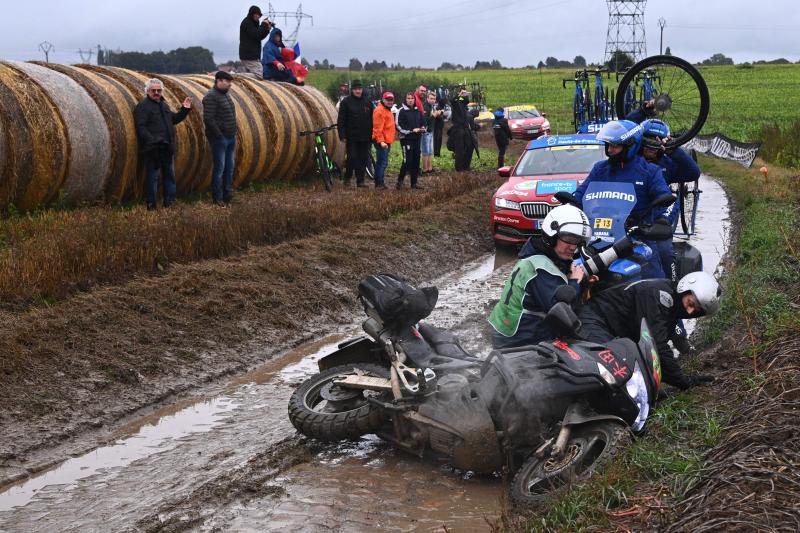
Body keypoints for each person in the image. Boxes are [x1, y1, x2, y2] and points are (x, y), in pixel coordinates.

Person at [578, 271, 721, 390]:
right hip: (593, 321)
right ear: (685, 289)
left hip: (612, 329)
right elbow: (656, 346)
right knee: (612, 369)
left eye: (696, 311)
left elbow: (651, 351)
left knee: (632, 376)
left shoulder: (672, 303)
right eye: (690, 303)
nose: (689, 311)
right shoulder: (657, 296)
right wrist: (684, 381)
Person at [572, 119, 672, 279]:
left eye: (615, 146)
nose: (610, 150)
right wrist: (570, 206)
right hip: (599, 237)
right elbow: (580, 196)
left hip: (637, 237)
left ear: (630, 146)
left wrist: (659, 221)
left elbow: (664, 198)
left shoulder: (650, 171)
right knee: (573, 271)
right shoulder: (600, 169)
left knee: (654, 281)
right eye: (608, 145)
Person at [489, 205, 592, 349]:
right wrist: (575, 282)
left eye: (578, 241)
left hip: (506, 330)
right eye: (569, 239)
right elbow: (562, 312)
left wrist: (582, 281)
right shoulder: (542, 268)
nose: (573, 247)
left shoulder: (536, 255)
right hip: (519, 341)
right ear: (551, 235)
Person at [640, 119, 701, 281]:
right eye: (648, 139)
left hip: (656, 219)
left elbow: (693, 173)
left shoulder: (667, 163)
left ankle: (670, 285)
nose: (652, 145)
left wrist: (674, 150)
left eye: (658, 141)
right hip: (630, 217)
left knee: (664, 252)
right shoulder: (631, 161)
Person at [133, 78, 192, 210]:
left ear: (162, 91)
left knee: (170, 176)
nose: (156, 93)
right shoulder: (143, 107)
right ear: (147, 91)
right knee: (153, 178)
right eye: (153, 90)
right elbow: (141, 127)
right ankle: (151, 206)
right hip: (153, 149)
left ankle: (169, 203)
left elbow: (173, 119)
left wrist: (185, 109)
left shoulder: (163, 105)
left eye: (159, 90)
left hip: (167, 147)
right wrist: (153, 140)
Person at [202, 71, 237, 207]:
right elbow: (209, 119)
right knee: (220, 169)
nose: (230, 84)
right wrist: (219, 136)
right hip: (219, 139)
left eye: (230, 82)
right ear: (219, 81)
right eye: (227, 81)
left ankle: (227, 194)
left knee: (229, 167)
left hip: (230, 137)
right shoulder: (211, 96)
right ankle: (217, 197)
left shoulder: (225, 95)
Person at [336, 80, 373, 188]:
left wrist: (373, 134)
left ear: (362, 89)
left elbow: (372, 119)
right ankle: (347, 178)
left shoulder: (367, 102)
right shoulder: (346, 102)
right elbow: (341, 120)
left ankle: (360, 181)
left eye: (359, 89)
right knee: (352, 158)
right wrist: (342, 135)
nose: (358, 91)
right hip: (351, 136)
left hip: (365, 136)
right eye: (356, 89)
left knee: (363, 158)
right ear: (352, 90)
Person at [396, 92, 425, 189]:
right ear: (405, 99)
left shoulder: (418, 110)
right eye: (408, 98)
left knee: (416, 161)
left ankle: (414, 183)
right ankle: (400, 182)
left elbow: (423, 122)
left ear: (414, 100)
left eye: (412, 98)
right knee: (407, 161)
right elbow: (398, 126)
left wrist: (423, 127)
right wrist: (411, 130)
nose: (410, 100)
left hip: (417, 139)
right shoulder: (401, 111)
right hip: (406, 139)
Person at [447, 87, 478, 171]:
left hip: (465, 128)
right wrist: (459, 94)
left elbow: (466, 101)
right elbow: (452, 100)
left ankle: (466, 166)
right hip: (458, 129)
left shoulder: (462, 102)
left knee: (469, 146)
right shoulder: (455, 102)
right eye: (462, 93)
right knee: (459, 149)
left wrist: (465, 95)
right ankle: (459, 168)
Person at [239, 5, 272, 80]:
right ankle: (236, 77)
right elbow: (257, 34)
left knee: (258, 75)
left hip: (252, 55)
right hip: (248, 55)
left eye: (259, 15)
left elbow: (259, 37)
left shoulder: (253, 23)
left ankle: (239, 77)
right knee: (259, 75)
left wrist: (267, 30)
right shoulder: (247, 23)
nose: (258, 16)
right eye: (256, 14)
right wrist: (264, 24)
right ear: (252, 14)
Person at [371, 91, 396, 189]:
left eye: (391, 100)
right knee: (382, 163)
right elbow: (377, 129)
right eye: (387, 100)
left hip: (386, 141)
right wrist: (381, 142)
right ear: (383, 100)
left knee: (382, 162)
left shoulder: (387, 109)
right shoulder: (379, 111)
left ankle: (379, 182)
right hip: (382, 142)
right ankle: (379, 183)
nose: (390, 102)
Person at [421, 91, 441, 174]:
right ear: (427, 98)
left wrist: (437, 114)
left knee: (430, 151)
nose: (433, 100)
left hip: (430, 131)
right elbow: (424, 121)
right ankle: (425, 170)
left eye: (434, 99)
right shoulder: (425, 107)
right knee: (425, 152)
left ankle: (430, 168)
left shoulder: (432, 106)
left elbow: (433, 118)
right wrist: (433, 115)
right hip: (425, 132)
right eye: (431, 98)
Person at [432, 87, 448, 157]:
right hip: (437, 126)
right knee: (437, 140)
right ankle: (436, 154)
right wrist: (441, 113)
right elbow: (438, 116)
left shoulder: (440, 107)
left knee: (438, 140)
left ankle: (437, 153)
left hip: (439, 126)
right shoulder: (439, 108)